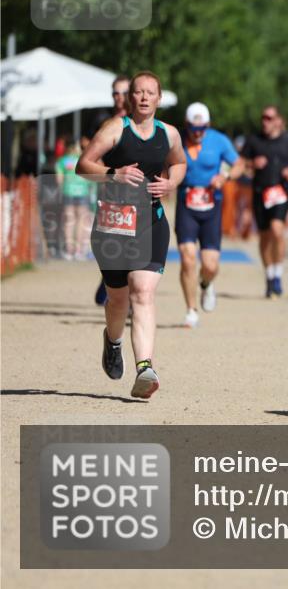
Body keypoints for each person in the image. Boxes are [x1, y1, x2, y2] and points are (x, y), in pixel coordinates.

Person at [76, 71, 186, 399]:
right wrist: (114, 173)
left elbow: (179, 163)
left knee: (143, 292)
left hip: (151, 224)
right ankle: (113, 341)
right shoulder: (114, 129)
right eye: (138, 92)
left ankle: (145, 369)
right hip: (113, 225)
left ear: (159, 97)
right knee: (117, 300)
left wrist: (171, 183)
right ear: (129, 97)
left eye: (150, 92)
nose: (143, 97)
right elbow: (83, 165)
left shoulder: (169, 134)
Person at [175, 102, 244, 328]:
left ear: (208, 125)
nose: (198, 133)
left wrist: (225, 178)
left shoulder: (219, 140)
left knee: (211, 265)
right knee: (187, 256)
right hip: (186, 203)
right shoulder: (176, 140)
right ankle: (191, 310)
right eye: (194, 128)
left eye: (202, 128)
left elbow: (239, 164)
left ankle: (206, 284)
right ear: (187, 125)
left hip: (211, 205)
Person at [241, 105, 288, 298]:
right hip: (259, 192)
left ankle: (278, 274)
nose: (265, 121)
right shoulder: (254, 140)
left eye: (270, 118)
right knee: (264, 237)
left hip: (280, 193)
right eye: (263, 117)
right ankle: (269, 275)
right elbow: (241, 162)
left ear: (279, 120)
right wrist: (252, 163)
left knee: (277, 230)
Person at [91, 75, 131, 306]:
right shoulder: (103, 120)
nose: (119, 98)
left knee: (131, 245)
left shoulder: (141, 121)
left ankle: (129, 300)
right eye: (115, 93)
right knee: (109, 244)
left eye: (124, 93)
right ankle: (108, 278)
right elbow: (89, 154)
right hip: (108, 190)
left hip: (135, 195)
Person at [55, 140, 93, 260]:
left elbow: (59, 180)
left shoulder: (62, 161)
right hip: (83, 192)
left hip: (68, 192)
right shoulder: (84, 160)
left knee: (69, 221)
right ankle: (79, 250)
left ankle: (69, 250)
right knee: (81, 221)